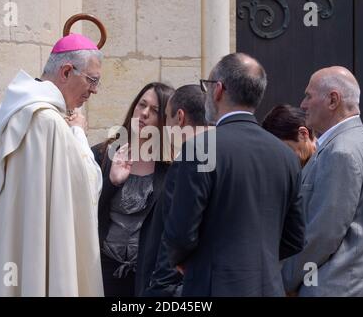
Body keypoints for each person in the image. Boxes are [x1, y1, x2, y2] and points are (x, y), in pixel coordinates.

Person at [0, 34, 104, 296]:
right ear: (66, 71)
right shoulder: (49, 123)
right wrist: (78, 132)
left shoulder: (8, 112)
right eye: (92, 80)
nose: (95, 90)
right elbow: (86, 187)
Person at [162, 53, 305, 296]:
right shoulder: (286, 155)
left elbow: (180, 233)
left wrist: (189, 260)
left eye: (207, 87)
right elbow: (295, 237)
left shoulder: (200, 148)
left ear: (218, 90)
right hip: (267, 287)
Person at [282, 66, 363, 296]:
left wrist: (285, 279)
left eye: (309, 96)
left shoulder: (341, 151)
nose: (303, 104)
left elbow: (322, 235)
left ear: (332, 100)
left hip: (336, 287)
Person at [92, 82, 174, 297]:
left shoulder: (171, 167)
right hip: (102, 267)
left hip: (148, 273)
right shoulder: (103, 154)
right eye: (142, 105)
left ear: (165, 120)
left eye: (155, 110)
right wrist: (112, 182)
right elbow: (83, 212)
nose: (144, 113)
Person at [141, 85, 207, 297]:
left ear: (179, 117)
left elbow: (178, 234)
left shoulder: (187, 161)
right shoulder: (223, 156)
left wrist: (159, 290)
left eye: (165, 118)